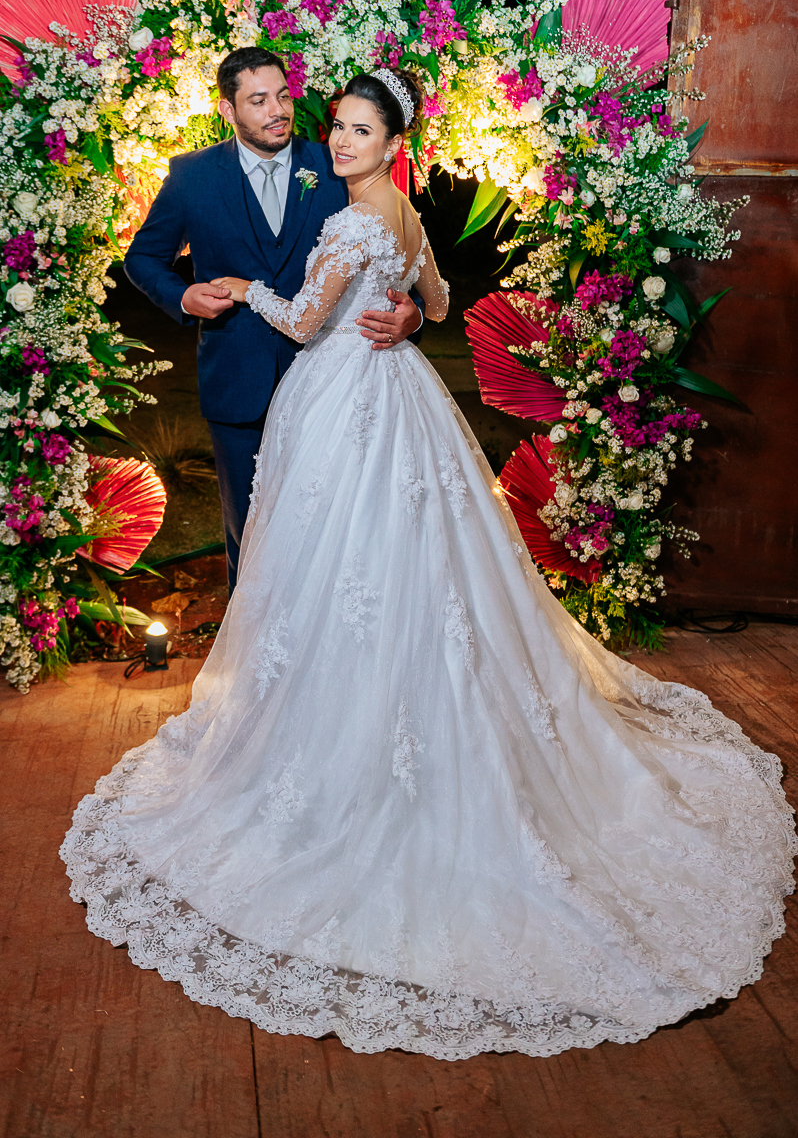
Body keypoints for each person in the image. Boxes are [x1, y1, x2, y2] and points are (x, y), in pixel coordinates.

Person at [62, 69, 796, 1061]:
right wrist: (410, 311)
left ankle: (340, 756)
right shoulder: (396, 211)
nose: (335, 141)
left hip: (339, 402)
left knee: (354, 563)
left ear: (388, 139)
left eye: (357, 130)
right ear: (239, 107)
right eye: (336, 127)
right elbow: (441, 296)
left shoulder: (355, 215)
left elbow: (309, 322)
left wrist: (249, 289)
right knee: (401, 564)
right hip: (398, 401)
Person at [124, 48, 424, 592]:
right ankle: (251, 665)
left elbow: (396, 249)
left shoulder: (335, 166)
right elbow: (143, 258)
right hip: (238, 385)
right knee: (252, 533)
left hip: (330, 389)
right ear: (227, 110)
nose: (277, 110)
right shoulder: (192, 178)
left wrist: (412, 314)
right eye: (258, 100)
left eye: (283, 96)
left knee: (332, 531)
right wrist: (185, 296)